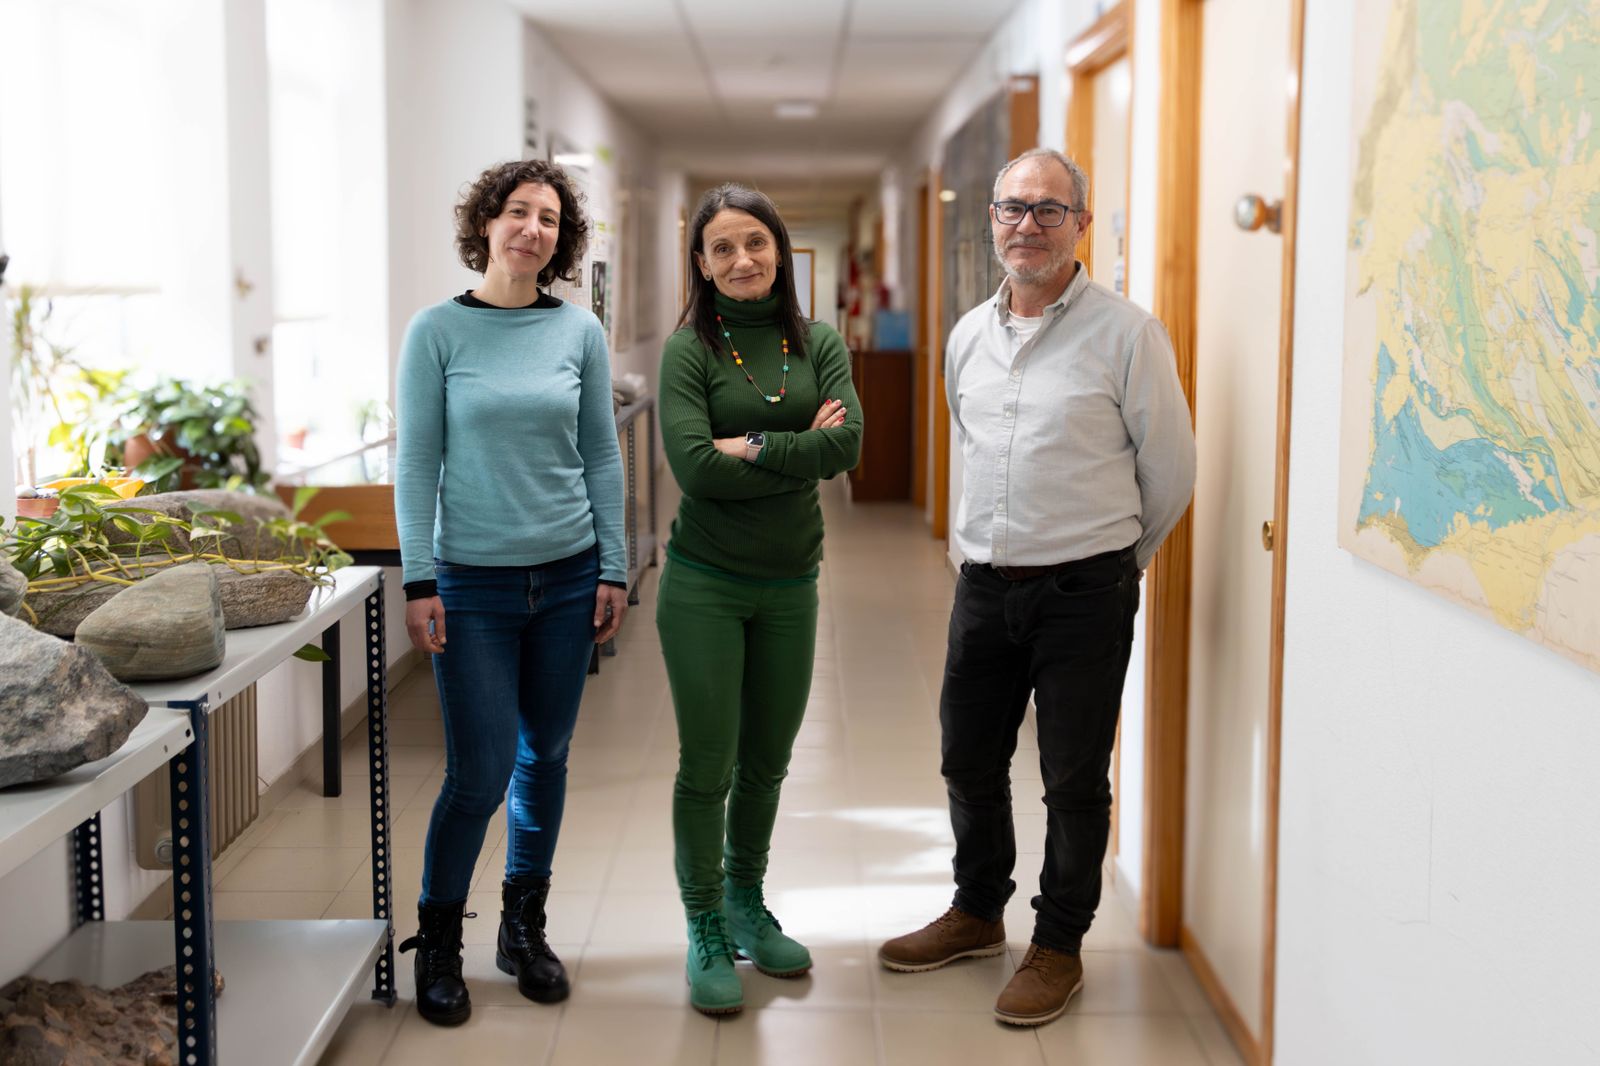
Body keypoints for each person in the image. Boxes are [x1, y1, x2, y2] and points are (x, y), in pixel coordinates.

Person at [877, 148, 1196, 1026]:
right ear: (991, 220)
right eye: (1013, 208)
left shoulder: (1128, 335)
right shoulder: (967, 335)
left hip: (1083, 593)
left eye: (1050, 210)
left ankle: (1058, 943)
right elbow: (969, 444)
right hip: (983, 585)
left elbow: (1170, 472)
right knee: (968, 760)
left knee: (1072, 777)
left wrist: (1111, 567)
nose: (1028, 225)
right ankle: (978, 912)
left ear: (1081, 226)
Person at [393, 158, 628, 1027]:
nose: (534, 229)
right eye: (519, 212)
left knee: (547, 757)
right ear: (486, 223)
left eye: (551, 220)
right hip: (474, 585)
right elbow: (417, 464)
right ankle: (442, 939)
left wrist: (614, 563)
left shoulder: (578, 333)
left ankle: (522, 930)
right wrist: (421, 581)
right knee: (479, 773)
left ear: (562, 244)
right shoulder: (436, 333)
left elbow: (601, 455)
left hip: (569, 578)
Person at [657, 183, 863, 1016]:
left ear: (777, 248)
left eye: (755, 243)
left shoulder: (817, 340)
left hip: (792, 584)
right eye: (722, 249)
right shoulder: (688, 353)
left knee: (768, 763)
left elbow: (847, 448)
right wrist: (798, 446)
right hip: (704, 585)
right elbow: (694, 470)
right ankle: (704, 923)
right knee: (709, 765)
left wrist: (751, 444)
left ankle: (747, 902)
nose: (743, 260)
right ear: (702, 267)